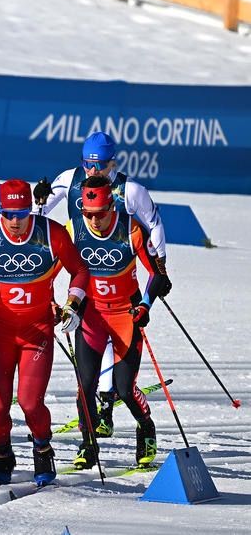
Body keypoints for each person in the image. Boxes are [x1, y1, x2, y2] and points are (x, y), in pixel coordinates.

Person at [0, 179, 90, 487]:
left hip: (36, 333)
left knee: (29, 402)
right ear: (0, 211)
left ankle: (43, 449)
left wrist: (73, 305)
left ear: (30, 210)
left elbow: (79, 270)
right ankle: (2, 454)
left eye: (21, 214)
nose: (14, 221)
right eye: (8, 214)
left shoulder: (51, 233)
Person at [33, 130, 171, 437]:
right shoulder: (69, 180)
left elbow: (154, 226)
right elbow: (38, 221)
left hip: (121, 283)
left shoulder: (131, 191)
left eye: (101, 165)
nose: (93, 171)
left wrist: (160, 267)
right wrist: (38, 201)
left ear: (113, 163)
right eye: (88, 164)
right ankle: (98, 416)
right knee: (88, 370)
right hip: (85, 284)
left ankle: (111, 404)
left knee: (120, 372)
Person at [68, 175, 169, 469]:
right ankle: (88, 444)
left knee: (124, 389)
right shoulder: (73, 229)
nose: (94, 221)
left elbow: (156, 273)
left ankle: (145, 426)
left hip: (126, 313)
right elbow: (50, 263)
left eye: (100, 214)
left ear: (111, 206)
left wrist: (146, 304)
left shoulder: (131, 229)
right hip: (92, 316)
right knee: (85, 385)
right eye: (88, 214)